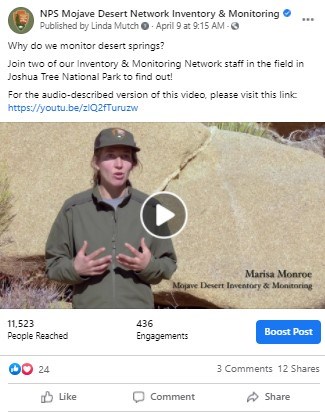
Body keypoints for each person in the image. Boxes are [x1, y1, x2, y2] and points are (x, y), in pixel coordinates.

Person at [45, 128, 177, 308]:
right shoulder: (74, 209)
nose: (119, 164)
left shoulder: (151, 209)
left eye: (125, 156)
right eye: (110, 156)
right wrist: (75, 269)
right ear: (96, 162)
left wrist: (148, 265)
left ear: (133, 163)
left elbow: (168, 263)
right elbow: (53, 265)